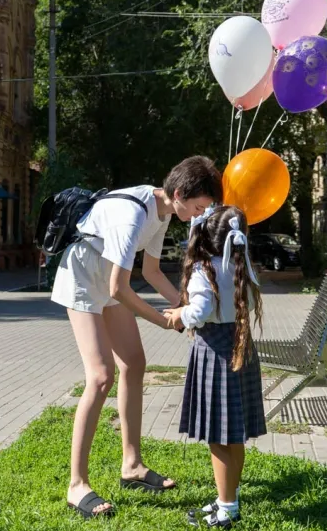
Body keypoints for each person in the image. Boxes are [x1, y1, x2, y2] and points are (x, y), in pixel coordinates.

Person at [52, 156, 223, 520]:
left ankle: (131, 465)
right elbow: (120, 287)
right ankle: (76, 484)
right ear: (179, 194)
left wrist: (187, 306)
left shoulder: (161, 212)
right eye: (197, 207)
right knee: (100, 378)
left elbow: (151, 270)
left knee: (134, 364)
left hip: (110, 278)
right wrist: (166, 321)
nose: (198, 215)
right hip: (83, 276)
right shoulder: (134, 215)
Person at [163, 205, 265, 529]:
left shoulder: (204, 269)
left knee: (218, 438)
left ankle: (227, 508)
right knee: (235, 436)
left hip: (216, 355)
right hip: (241, 348)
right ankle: (228, 499)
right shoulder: (242, 265)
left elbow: (199, 310)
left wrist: (179, 315)